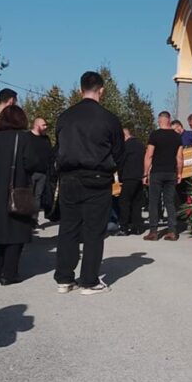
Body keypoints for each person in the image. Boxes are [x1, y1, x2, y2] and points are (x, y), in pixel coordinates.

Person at [53, 71, 123, 295]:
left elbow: (58, 147)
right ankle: (89, 280)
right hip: (97, 178)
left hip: (69, 177)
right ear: (101, 90)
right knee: (94, 230)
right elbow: (119, 151)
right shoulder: (109, 119)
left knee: (68, 228)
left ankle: (64, 278)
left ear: (80, 89)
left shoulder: (65, 117)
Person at [0, 105, 39, 285]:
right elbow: (32, 163)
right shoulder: (23, 138)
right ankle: (9, 273)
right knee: (15, 232)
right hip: (16, 188)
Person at [143, 111, 183, 242]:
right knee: (169, 202)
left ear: (159, 120)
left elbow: (149, 155)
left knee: (153, 202)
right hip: (171, 172)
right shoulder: (177, 136)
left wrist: (145, 173)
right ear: (169, 120)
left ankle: (153, 232)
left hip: (157, 172)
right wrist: (180, 173)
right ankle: (172, 231)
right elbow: (179, 157)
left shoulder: (155, 135)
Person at [117, 125, 145, 236]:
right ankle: (137, 227)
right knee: (137, 202)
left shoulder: (125, 146)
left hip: (128, 176)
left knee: (124, 202)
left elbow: (121, 162)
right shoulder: (141, 145)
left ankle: (124, 228)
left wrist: (119, 177)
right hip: (140, 176)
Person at [28, 117, 53, 221]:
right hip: (30, 172)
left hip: (43, 172)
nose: (45, 127)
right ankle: (26, 219)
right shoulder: (27, 137)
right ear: (36, 125)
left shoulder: (46, 139)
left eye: (46, 125)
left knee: (37, 197)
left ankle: (34, 219)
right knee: (28, 196)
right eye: (43, 125)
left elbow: (50, 154)